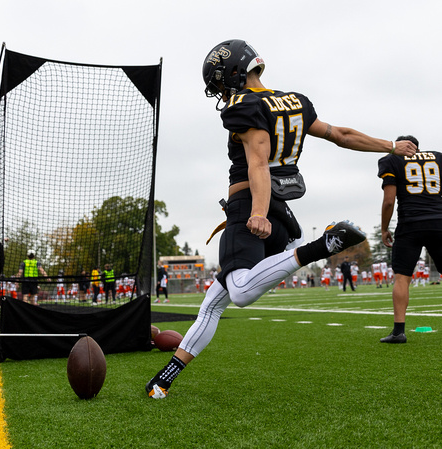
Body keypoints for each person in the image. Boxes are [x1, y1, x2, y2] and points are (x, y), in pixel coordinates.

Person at [145, 39, 417, 399]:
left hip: (252, 207)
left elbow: (258, 160)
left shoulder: (245, 104)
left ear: (235, 73)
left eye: (220, 82)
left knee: (239, 291)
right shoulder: (294, 101)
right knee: (213, 301)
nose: (222, 91)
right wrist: (390, 145)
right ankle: (164, 379)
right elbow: (340, 134)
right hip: (284, 215)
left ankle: (322, 245)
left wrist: (256, 212)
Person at [378, 135, 442, 343]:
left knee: (402, 277)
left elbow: (389, 201)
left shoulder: (391, 160)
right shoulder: (438, 158)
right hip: (438, 221)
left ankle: (398, 332)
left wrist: (385, 228)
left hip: (410, 224)